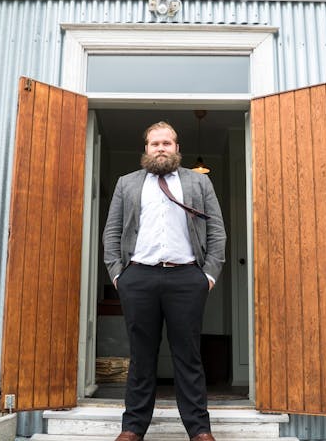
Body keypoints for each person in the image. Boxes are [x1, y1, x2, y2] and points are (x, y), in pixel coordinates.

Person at [103, 121, 227, 441]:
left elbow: (217, 231)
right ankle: (132, 428)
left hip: (187, 276)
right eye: (154, 143)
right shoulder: (126, 183)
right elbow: (112, 232)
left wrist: (208, 275)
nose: (161, 148)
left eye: (167, 143)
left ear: (177, 148)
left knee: (188, 355)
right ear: (145, 149)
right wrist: (119, 274)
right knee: (142, 355)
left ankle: (199, 430)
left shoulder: (198, 183)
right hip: (138, 276)